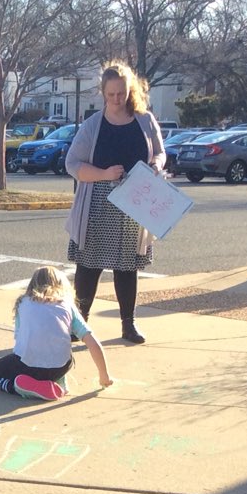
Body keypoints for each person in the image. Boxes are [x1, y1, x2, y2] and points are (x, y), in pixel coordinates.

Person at [65, 61, 166, 345]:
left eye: (121, 93)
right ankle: (78, 325)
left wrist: (155, 167)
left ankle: (128, 325)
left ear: (129, 90)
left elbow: (160, 153)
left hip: (134, 203)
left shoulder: (144, 121)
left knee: (127, 267)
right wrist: (103, 174)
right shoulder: (92, 125)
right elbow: (72, 164)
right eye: (111, 95)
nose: (116, 99)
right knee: (88, 266)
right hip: (97, 203)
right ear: (103, 93)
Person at [0, 265, 112, 401]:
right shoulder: (67, 305)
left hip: (27, 366)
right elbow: (93, 343)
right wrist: (104, 375)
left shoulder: (22, 303)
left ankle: (16, 387)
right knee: (60, 349)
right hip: (60, 367)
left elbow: (20, 342)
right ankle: (59, 383)